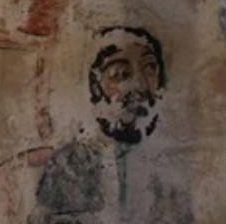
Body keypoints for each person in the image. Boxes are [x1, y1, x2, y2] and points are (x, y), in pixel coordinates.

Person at [29, 26, 192, 224]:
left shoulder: (168, 171)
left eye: (150, 68)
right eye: (121, 74)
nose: (140, 86)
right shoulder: (69, 164)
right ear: (96, 86)